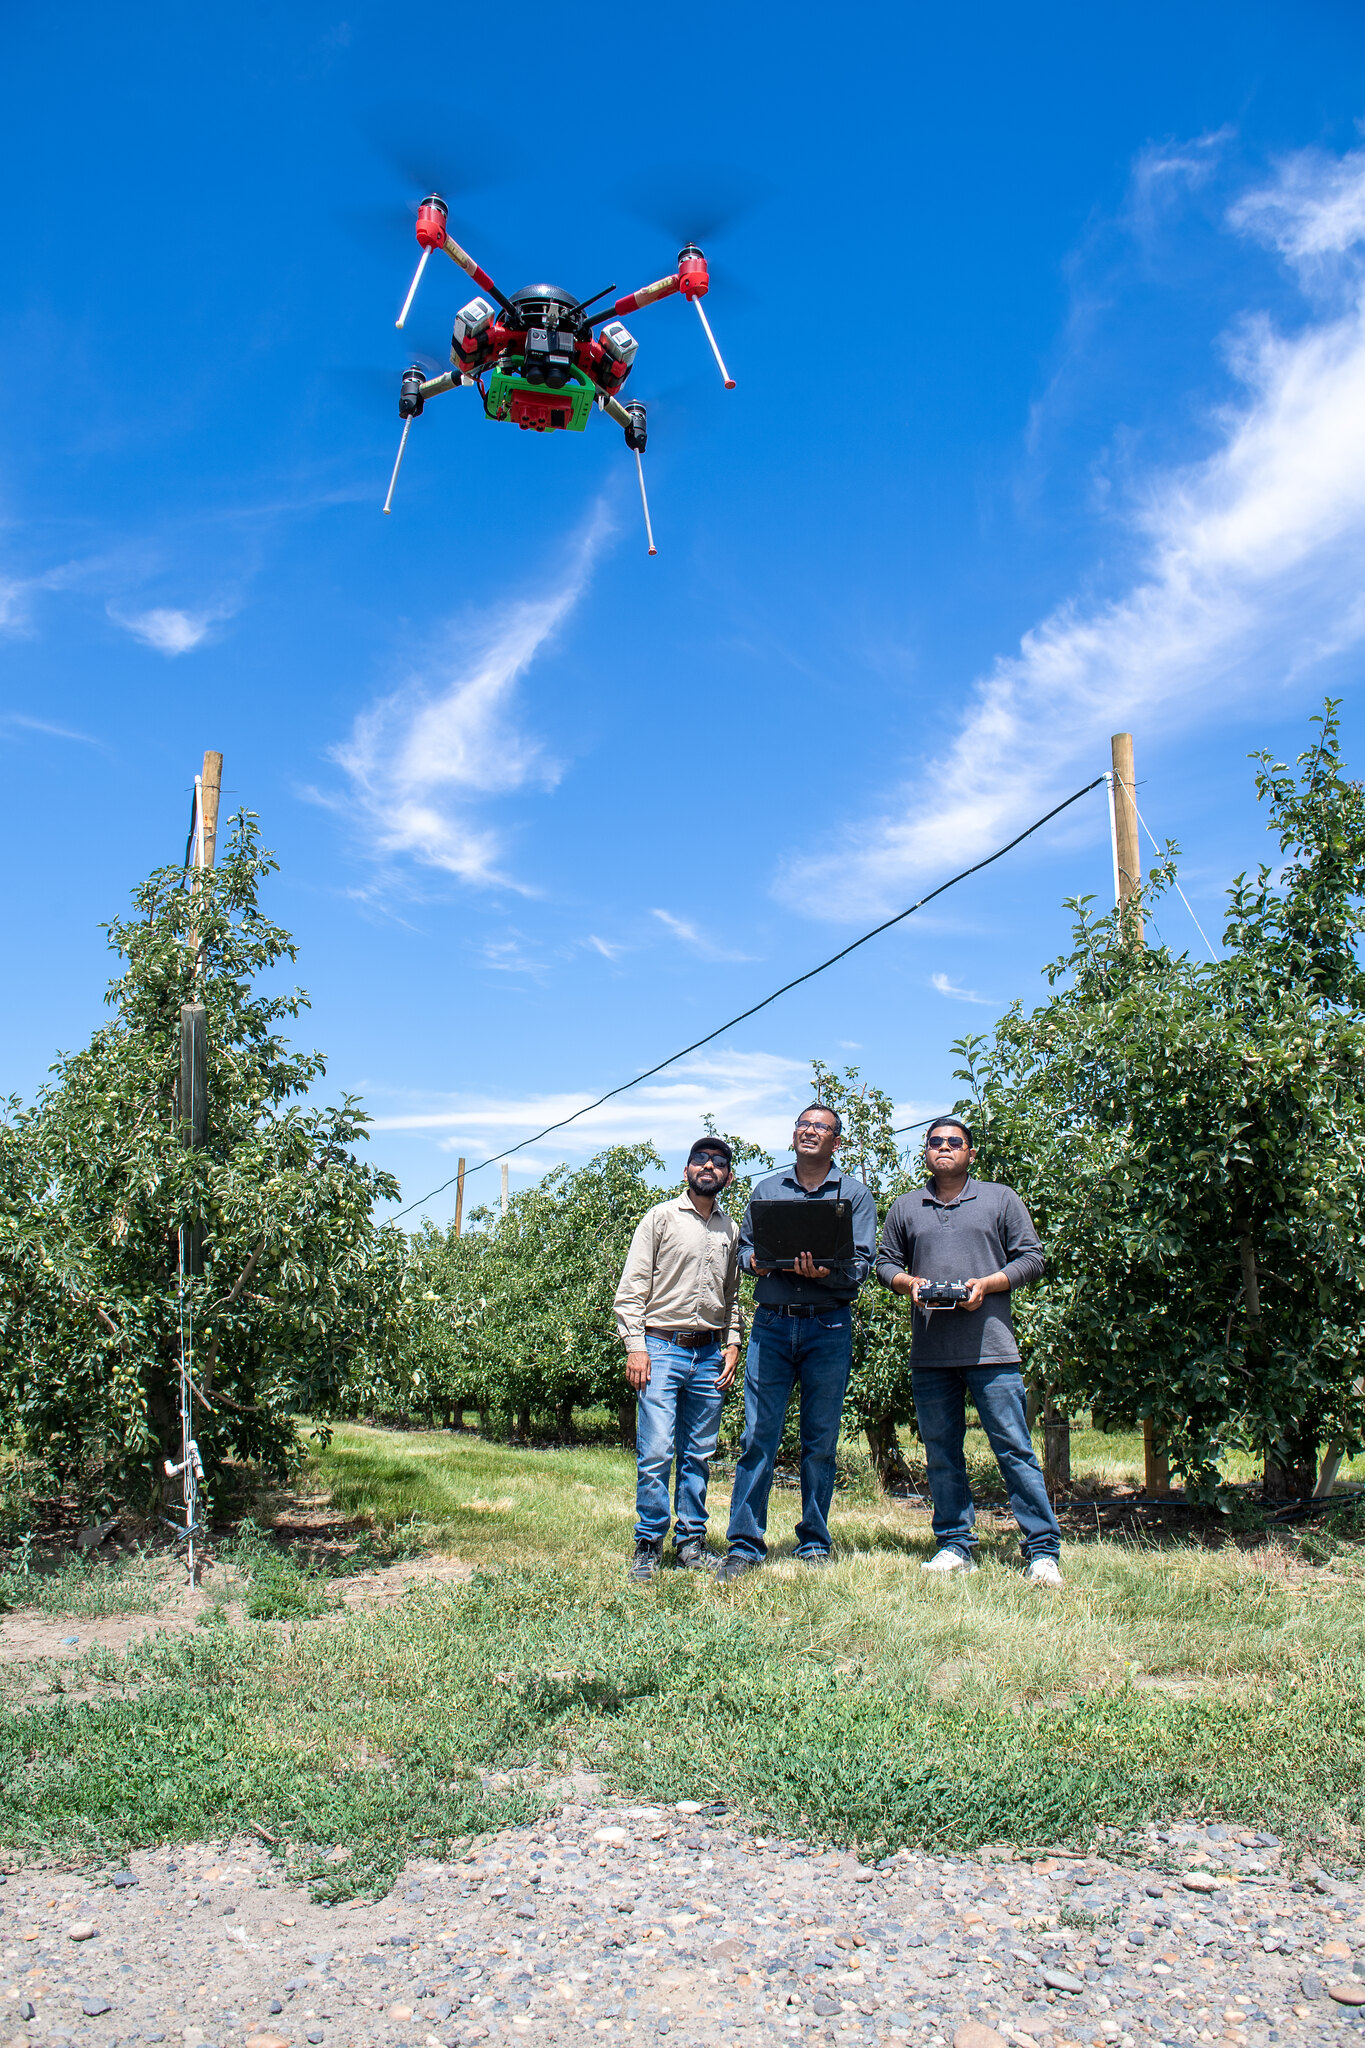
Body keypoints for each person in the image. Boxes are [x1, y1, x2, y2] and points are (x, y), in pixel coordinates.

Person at [876, 1117, 1063, 1587]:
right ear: (925, 1151)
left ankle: (1042, 1550)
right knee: (941, 1452)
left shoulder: (1000, 1198)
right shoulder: (905, 1207)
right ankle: (955, 1544)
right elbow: (884, 1263)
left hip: (992, 1351)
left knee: (1015, 1449)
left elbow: (1032, 1257)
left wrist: (988, 1284)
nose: (943, 1148)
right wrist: (909, 1283)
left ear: (971, 1153)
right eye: (934, 1141)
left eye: (954, 1142)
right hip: (931, 1352)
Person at [716, 1105, 877, 1581]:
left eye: (821, 1127)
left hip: (828, 1326)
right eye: (804, 1126)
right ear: (793, 1136)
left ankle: (814, 1542)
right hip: (772, 1325)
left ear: (837, 1141)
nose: (810, 1132)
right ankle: (745, 1544)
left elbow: (863, 1263)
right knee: (757, 1436)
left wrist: (828, 1269)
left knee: (820, 1440)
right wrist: (760, 1264)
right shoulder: (766, 1191)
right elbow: (744, 1250)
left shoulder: (855, 1194)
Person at [613, 1137, 744, 1579]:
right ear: (687, 1169)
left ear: (727, 1175)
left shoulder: (732, 1229)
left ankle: (691, 1542)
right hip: (662, 1348)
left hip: (709, 1352)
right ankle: (648, 1544)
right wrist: (636, 1346)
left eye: (719, 1162)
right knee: (655, 1450)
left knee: (700, 1453)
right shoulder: (660, 1218)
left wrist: (733, 1343)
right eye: (700, 1160)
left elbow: (734, 1295)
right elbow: (631, 1292)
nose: (709, 1166)